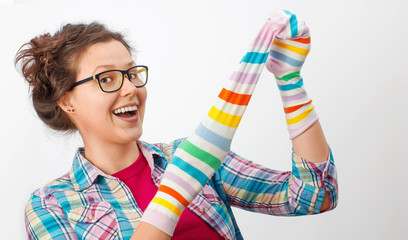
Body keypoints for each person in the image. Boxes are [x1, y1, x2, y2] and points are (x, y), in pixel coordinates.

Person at [16, 10, 338, 240]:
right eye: (107, 78)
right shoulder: (51, 205)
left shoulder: (191, 157)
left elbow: (315, 196)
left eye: (131, 73)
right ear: (66, 100)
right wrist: (174, 194)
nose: (130, 88)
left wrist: (289, 79)